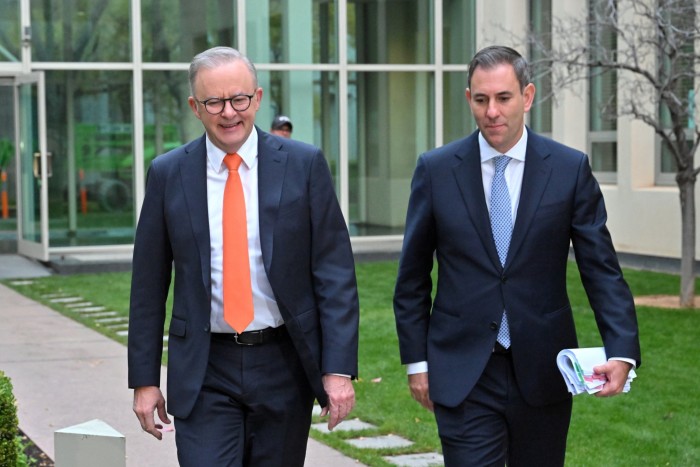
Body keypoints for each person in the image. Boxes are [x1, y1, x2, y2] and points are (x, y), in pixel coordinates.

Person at [393, 45, 641, 466]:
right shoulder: (436, 171)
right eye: (481, 99)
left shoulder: (568, 169)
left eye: (503, 98)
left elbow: (601, 269)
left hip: (544, 368)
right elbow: (412, 278)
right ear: (469, 99)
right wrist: (417, 363)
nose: (492, 111)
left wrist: (621, 350)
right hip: (464, 370)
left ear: (526, 97)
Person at [128, 46, 359, 467]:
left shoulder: (303, 165)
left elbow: (335, 272)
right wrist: (144, 380)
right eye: (214, 101)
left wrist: (338, 369)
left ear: (257, 97)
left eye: (239, 99)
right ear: (195, 107)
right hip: (204, 367)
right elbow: (147, 286)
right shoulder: (168, 174)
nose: (229, 113)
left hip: (283, 364)